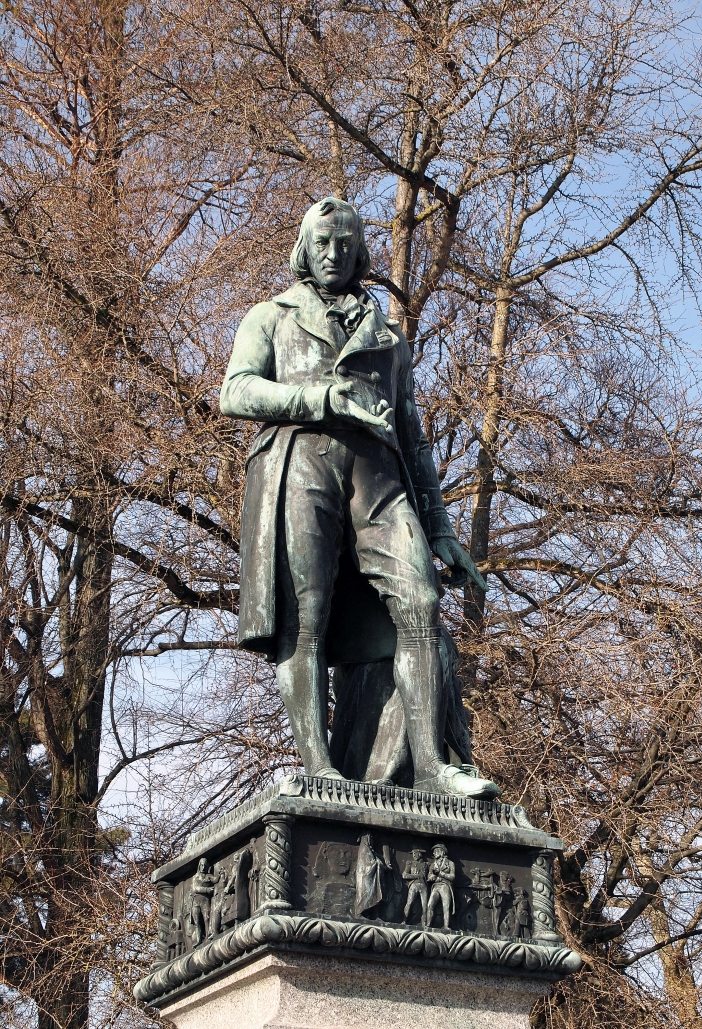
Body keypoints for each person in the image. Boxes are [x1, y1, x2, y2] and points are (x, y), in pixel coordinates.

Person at [221, 197, 499, 798]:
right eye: (321, 243)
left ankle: (432, 766)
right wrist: (320, 399)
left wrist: (443, 529)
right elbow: (236, 391)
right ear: (303, 247)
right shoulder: (271, 317)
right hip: (301, 464)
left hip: (378, 479)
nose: (332, 254)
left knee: (422, 602)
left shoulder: (388, 339)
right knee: (307, 615)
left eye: (344, 245)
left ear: (359, 252)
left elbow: (414, 437)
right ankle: (319, 766)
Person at [425, 843, 456, 929]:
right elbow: (429, 876)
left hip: (445, 885)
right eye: (434, 852)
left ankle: (446, 926)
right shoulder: (432, 865)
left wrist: (440, 873)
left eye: (436, 851)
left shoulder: (450, 863)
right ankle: (428, 924)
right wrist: (432, 877)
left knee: (446, 906)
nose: (434, 853)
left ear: (442, 852)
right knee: (430, 905)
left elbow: (452, 877)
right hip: (436, 886)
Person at [403, 847, 429, 926]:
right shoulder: (410, 863)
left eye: (416, 853)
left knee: (425, 905)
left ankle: (424, 923)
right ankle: (404, 920)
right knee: (409, 903)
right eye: (413, 854)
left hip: (423, 886)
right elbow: (404, 875)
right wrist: (416, 876)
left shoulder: (426, 864)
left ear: (420, 854)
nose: (414, 855)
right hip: (414, 884)